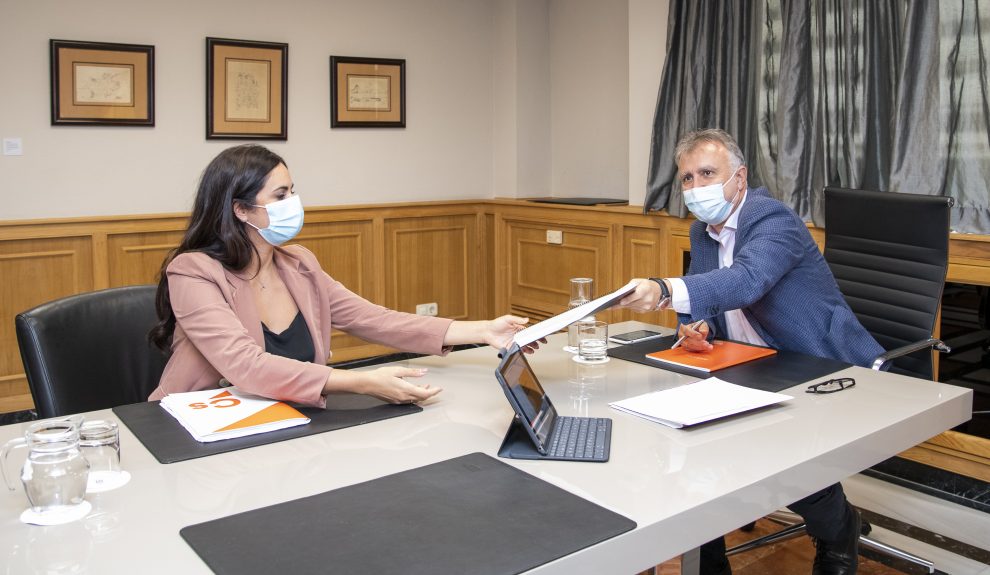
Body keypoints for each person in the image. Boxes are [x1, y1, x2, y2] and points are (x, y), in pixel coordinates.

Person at [619, 129, 883, 575]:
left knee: (786, 455)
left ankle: (839, 531)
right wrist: (693, 327)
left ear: (739, 178)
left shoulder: (773, 219)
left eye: (707, 173)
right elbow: (705, 297)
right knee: (687, 446)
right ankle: (706, 562)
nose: (696, 187)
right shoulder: (703, 231)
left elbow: (747, 280)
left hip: (813, 362)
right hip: (742, 362)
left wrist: (664, 290)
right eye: (686, 179)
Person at [149, 144, 529, 408]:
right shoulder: (193, 271)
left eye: (293, 192)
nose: (293, 205)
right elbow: (245, 366)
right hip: (202, 425)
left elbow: (373, 319)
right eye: (280, 196)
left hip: (286, 419)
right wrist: (360, 382)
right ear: (241, 210)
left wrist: (482, 331)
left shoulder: (299, 264)